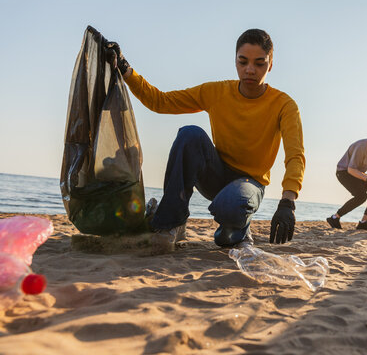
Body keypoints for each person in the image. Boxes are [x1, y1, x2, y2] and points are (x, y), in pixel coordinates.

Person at [105, 29, 305, 253]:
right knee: (190, 134)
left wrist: (288, 201)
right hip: (215, 175)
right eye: (243, 61)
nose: (250, 70)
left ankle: (237, 228)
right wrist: (126, 69)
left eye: (259, 63)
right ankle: (171, 223)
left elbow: (295, 155)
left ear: (270, 65)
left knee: (227, 229)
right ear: (235, 61)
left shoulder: (285, 105)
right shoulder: (216, 92)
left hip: (250, 184)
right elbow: (160, 102)